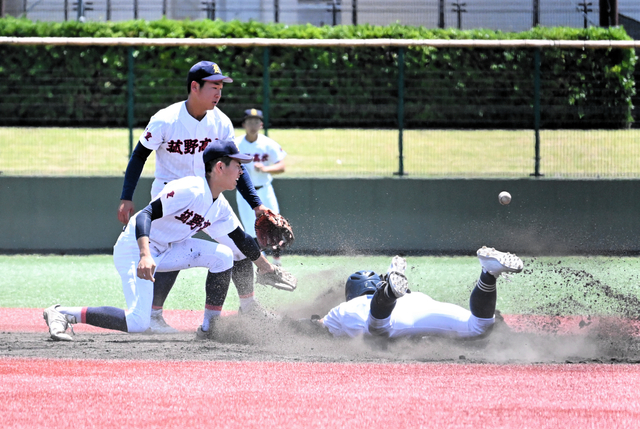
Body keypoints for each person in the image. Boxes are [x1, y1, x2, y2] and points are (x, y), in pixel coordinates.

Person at [43, 140, 292, 341]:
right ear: (219, 167)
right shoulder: (190, 189)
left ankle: (209, 328)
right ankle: (63, 313)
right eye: (238, 165)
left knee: (225, 255)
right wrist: (144, 254)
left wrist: (267, 268)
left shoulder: (220, 207)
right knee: (138, 322)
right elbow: (145, 215)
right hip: (135, 248)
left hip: (169, 250)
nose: (241, 171)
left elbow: (241, 240)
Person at [116, 61, 270, 333]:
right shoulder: (166, 119)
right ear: (195, 87)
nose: (219, 92)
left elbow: (237, 165)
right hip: (171, 194)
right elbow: (140, 154)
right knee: (171, 247)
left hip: (208, 196)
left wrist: (256, 205)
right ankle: (153, 315)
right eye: (214, 86)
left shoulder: (220, 121)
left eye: (221, 86)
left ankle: (248, 307)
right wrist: (127, 196)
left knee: (239, 246)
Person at [312, 247, 523, 339]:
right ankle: (489, 272)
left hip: (382, 314)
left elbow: (315, 326)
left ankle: (387, 294)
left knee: (377, 331)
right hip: (417, 303)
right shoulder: (416, 296)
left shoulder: (342, 310)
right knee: (479, 327)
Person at [235, 109, 287, 266]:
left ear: (261, 124)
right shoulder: (237, 144)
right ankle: (262, 264)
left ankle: (277, 261)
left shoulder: (267, 143)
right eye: (249, 121)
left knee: (275, 225)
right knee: (251, 230)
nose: (253, 125)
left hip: (265, 189)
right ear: (244, 124)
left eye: (256, 121)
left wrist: (265, 169)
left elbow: (282, 166)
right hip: (245, 194)